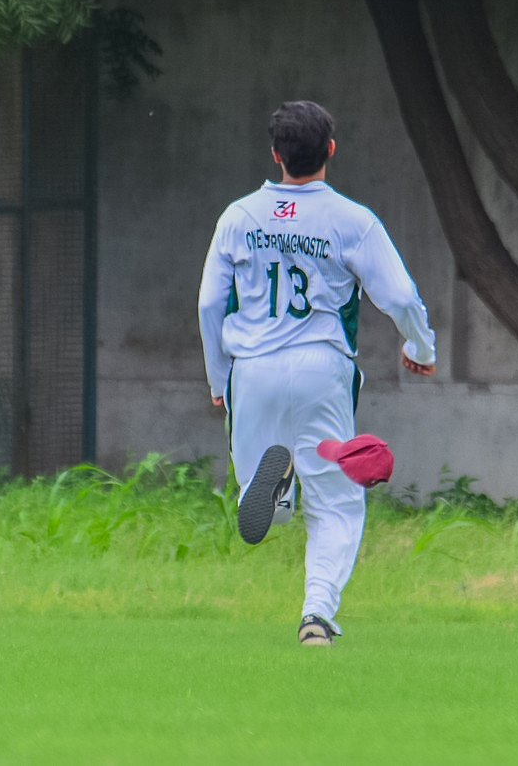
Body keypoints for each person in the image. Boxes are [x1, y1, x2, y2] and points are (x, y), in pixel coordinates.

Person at [198, 100, 436, 646]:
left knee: (262, 504)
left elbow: (210, 303)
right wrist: (420, 345)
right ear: (330, 149)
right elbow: (400, 296)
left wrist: (217, 378)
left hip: (252, 369)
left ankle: (276, 492)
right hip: (322, 370)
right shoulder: (352, 220)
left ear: (275, 154)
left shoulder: (238, 217)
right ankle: (316, 616)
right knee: (335, 504)